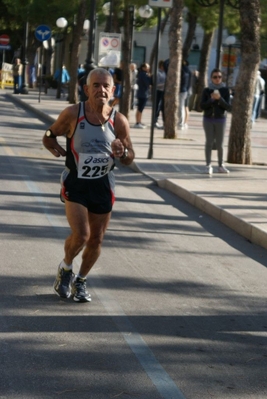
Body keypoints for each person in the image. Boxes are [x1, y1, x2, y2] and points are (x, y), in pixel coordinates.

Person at [42, 68, 135, 302]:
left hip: (103, 184)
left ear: (113, 90)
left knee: (96, 239)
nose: (101, 90)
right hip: (76, 182)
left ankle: (80, 280)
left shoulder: (119, 120)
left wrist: (123, 152)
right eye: (96, 85)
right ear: (86, 89)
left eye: (106, 86)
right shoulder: (73, 113)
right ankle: (65, 268)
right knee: (82, 234)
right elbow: (49, 134)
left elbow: (131, 156)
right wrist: (55, 147)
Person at [200, 68, 231, 175]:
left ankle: (221, 165)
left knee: (220, 144)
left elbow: (228, 107)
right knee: (209, 142)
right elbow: (201, 106)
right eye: (215, 77)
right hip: (208, 119)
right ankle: (208, 165)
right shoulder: (206, 90)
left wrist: (220, 99)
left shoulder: (225, 90)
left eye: (219, 77)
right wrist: (211, 100)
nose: (217, 79)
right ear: (211, 78)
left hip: (220, 119)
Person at [134, 63, 152, 129]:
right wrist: (150, 78)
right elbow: (147, 83)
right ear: (143, 68)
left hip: (143, 93)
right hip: (143, 94)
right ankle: (138, 122)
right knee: (140, 108)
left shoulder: (142, 74)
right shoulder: (143, 74)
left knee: (140, 108)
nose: (148, 69)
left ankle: (139, 121)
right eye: (147, 67)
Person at [178, 60, 191, 130]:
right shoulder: (188, 70)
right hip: (186, 90)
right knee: (184, 107)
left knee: (181, 107)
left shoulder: (182, 70)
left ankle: (181, 123)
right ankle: (183, 123)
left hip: (182, 90)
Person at [154, 60, 166, 129]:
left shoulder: (165, 72)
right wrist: (165, 84)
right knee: (157, 107)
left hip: (164, 92)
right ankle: (155, 121)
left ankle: (164, 122)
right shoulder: (158, 73)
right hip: (159, 91)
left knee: (163, 107)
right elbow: (157, 84)